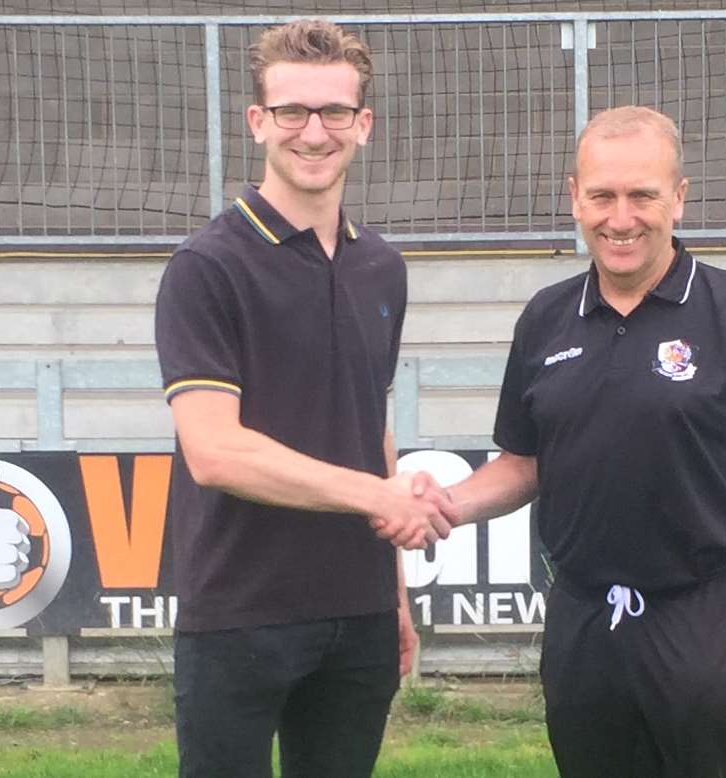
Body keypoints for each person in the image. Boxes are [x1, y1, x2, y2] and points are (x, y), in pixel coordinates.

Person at [391, 106, 726, 777]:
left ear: (677, 198)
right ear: (574, 196)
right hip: (585, 620)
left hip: (708, 614)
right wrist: (442, 503)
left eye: (641, 196)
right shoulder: (545, 318)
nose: (619, 219)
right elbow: (522, 465)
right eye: (601, 196)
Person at [154, 19, 455, 778]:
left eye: (333, 113)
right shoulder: (206, 268)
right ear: (258, 122)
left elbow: (369, 425)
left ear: (364, 126)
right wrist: (379, 495)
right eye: (292, 111)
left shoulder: (381, 267)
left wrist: (391, 596)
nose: (312, 133)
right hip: (237, 612)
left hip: (357, 614)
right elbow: (214, 452)